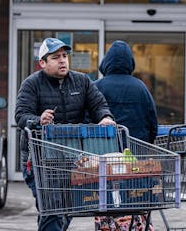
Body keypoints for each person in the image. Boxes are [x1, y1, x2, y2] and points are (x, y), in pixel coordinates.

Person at [15, 37, 116, 231]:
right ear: (42, 63)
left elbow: (98, 105)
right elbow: (20, 115)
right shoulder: (31, 84)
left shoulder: (81, 81)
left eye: (64, 56)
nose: (62, 60)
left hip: (71, 159)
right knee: (52, 208)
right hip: (39, 161)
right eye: (55, 57)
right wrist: (38, 120)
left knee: (68, 208)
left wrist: (105, 117)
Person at [93, 40, 157, 230]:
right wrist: (146, 144)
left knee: (107, 203)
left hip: (106, 158)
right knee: (135, 200)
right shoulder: (141, 88)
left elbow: (88, 121)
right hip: (134, 157)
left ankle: (108, 226)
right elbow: (152, 122)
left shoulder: (97, 87)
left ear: (106, 62)